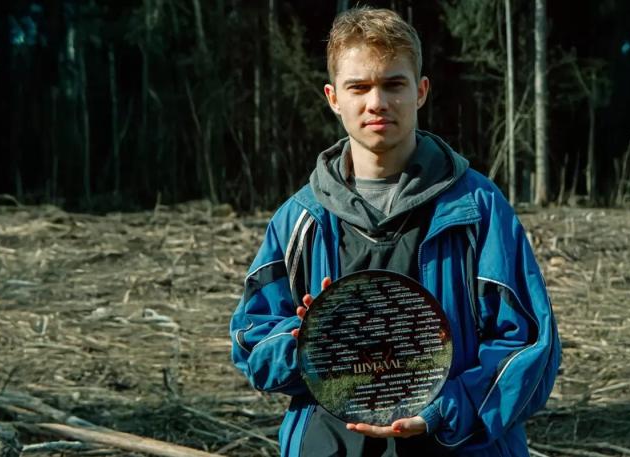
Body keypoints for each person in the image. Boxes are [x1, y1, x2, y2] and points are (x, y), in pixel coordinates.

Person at [230, 6, 560, 457]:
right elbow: (251, 339)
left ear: (420, 91)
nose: (377, 103)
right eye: (358, 87)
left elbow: (529, 346)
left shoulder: (476, 210)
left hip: (454, 445)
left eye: (393, 84)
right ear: (333, 97)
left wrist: (442, 411)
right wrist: (306, 341)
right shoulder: (301, 219)